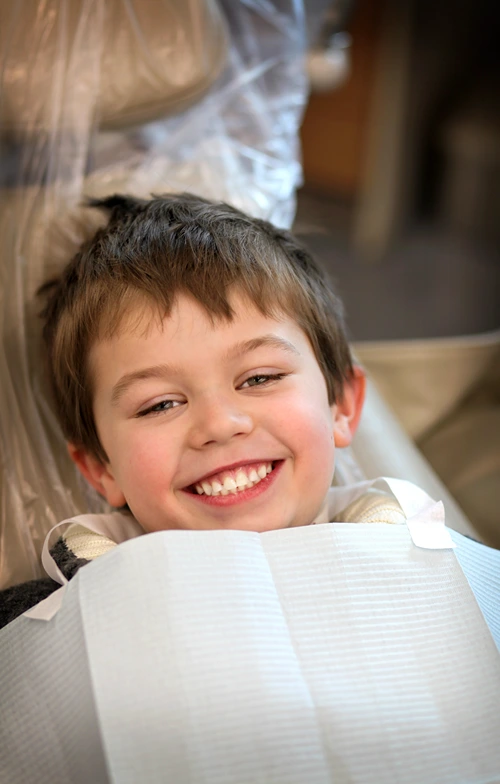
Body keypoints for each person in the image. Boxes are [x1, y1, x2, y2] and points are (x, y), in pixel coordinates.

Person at [0, 193, 404, 628]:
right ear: (101, 468)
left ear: (341, 405)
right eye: (161, 404)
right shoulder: (35, 627)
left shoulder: (442, 575)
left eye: (259, 378)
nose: (219, 424)